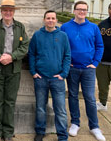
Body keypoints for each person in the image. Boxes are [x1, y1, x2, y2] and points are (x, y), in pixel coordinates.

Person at [61, 1, 106, 141]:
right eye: (79, 9)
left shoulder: (93, 27)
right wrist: (65, 64)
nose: (82, 12)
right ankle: (75, 122)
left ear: (87, 12)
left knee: (90, 98)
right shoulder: (65, 27)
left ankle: (94, 126)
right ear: (74, 11)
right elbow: (61, 46)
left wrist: (95, 63)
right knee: (73, 96)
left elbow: (100, 46)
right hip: (72, 68)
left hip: (88, 69)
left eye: (84, 10)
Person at [0, 0, 29, 141]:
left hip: (14, 69)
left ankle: (8, 132)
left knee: (10, 102)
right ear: (1, 11)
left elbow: (24, 47)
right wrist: (0, 57)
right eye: (5, 10)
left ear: (14, 11)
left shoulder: (20, 27)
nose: (8, 12)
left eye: (10, 10)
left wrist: (11, 57)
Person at [28, 10, 71, 141]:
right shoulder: (37, 35)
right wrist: (33, 72)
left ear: (56, 20)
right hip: (41, 78)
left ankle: (62, 135)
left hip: (57, 79)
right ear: (44, 20)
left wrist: (63, 74)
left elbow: (67, 56)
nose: (50, 20)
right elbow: (32, 54)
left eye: (53, 18)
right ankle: (40, 131)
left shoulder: (63, 36)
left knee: (61, 110)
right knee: (41, 108)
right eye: (48, 18)